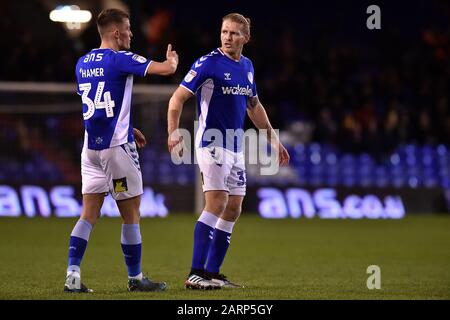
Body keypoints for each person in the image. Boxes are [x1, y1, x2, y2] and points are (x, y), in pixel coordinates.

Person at [167, 13, 290, 290]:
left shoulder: (247, 66)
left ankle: (212, 272)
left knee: (234, 208)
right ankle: (195, 272)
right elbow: (178, 98)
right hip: (211, 143)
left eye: (234, 33)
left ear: (246, 37)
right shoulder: (208, 63)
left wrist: (274, 141)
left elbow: (254, 106)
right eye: (224, 31)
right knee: (217, 203)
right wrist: (173, 130)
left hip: (235, 147)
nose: (227, 37)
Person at [64, 8, 178, 293]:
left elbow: (101, 106)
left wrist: (127, 127)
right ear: (116, 33)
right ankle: (136, 278)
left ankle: (72, 276)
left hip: (90, 149)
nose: (131, 34)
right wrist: (172, 63)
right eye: (127, 29)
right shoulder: (121, 59)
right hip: (116, 151)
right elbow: (165, 70)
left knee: (88, 213)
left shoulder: (82, 63)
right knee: (131, 213)